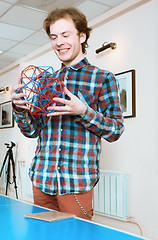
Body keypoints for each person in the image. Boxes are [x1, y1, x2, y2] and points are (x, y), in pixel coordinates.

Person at [11, 7, 124, 220]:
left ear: (82, 36)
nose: (58, 42)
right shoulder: (45, 82)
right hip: (42, 181)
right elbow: (32, 131)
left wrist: (83, 111)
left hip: (76, 185)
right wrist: (19, 109)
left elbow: (115, 130)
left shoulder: (103, 78)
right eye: (54, 37)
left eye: (65, 34)